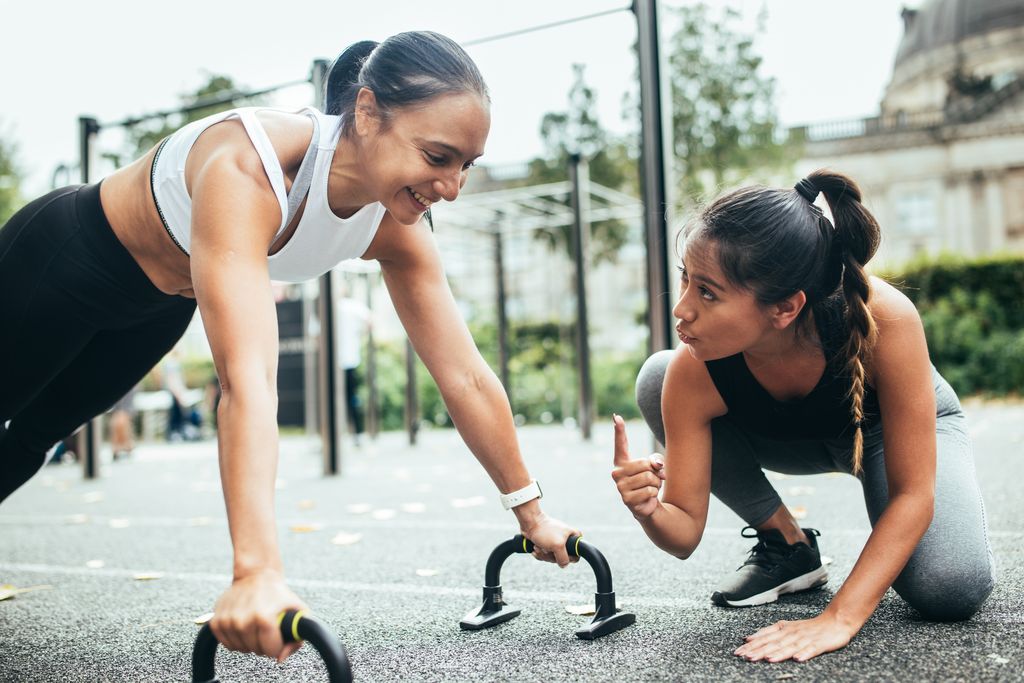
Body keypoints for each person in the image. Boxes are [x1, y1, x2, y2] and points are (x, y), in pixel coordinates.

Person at [0, 31, 576, 662]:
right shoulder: (249, 166)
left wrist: (531, 514)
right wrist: (256, 573)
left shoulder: (396, 223)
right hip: (65, 260)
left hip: (161, 305)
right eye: (438, 155)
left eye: (466, 165)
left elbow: (464, 375)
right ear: (364, 113)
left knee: (34, 436)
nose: (452, 186)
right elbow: (248, 382)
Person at [612, 169, 995, 663]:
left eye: (707, 292)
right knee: (657, 374)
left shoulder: (886, 317)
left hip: (879, 435)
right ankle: (788, 547)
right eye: (686, 278)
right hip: (787, 441)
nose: (681, 309)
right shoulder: (694, 370)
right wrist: (649, 509)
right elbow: (683, 534)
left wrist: (838, 617)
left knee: (950, 586)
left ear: (785, 308)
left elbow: (913, 494)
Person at [336, 282, 371, 444]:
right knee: (352, 398)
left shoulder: (325, 308)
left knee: (337, 399)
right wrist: (359, 335)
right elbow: (371, 322)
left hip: (338, 361)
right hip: (350, 359)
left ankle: (337, 434)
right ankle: (357, 433)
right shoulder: (352, 307)